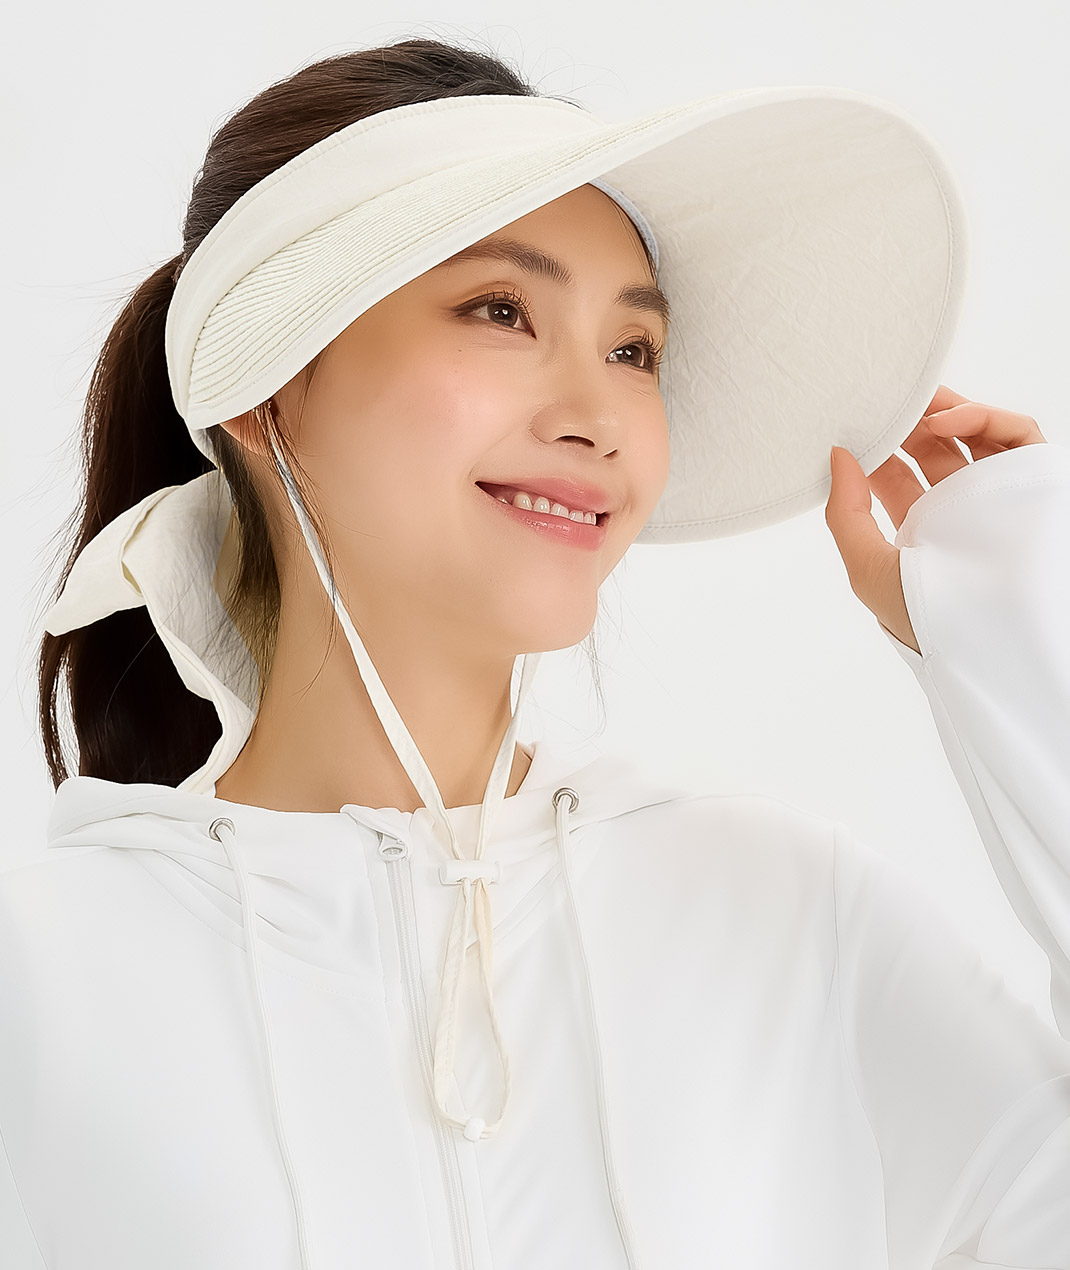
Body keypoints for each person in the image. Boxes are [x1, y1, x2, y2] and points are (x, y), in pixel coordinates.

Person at [4, 35, 1069, 1270]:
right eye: (500, 312)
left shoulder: (783, 912)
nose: (597, 414)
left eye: (632, 350)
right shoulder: (48, 973)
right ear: (266, 381)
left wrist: (1024, 627)